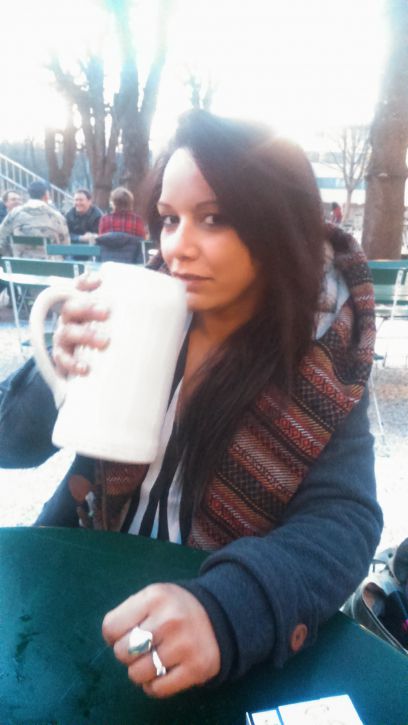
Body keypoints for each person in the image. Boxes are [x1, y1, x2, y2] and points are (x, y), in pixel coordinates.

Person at [7, 111, 383, 697]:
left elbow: (344, 522)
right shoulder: (138, 308)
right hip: (78, 582)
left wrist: (228, 610)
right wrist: (57, 367)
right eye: (169, 219)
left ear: (278, 223)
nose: (177, 246)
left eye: (214, 218)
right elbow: (10, 445)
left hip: (218, 651)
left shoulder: (324, 356)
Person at [0, 180, 69, 257]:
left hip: (20, 263)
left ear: (29, 195)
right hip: (50, 263)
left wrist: (8, 257)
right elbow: (65, 246)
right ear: (46, 196)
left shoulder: (14, 213)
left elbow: (1, 236)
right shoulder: (57, 216)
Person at [96, 186, 146, 263]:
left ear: (113, 203)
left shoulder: (105, 219)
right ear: (130, 203)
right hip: (131, 264)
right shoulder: (137, 220)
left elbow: (101, 240)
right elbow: (142, 242)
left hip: (107, 263)